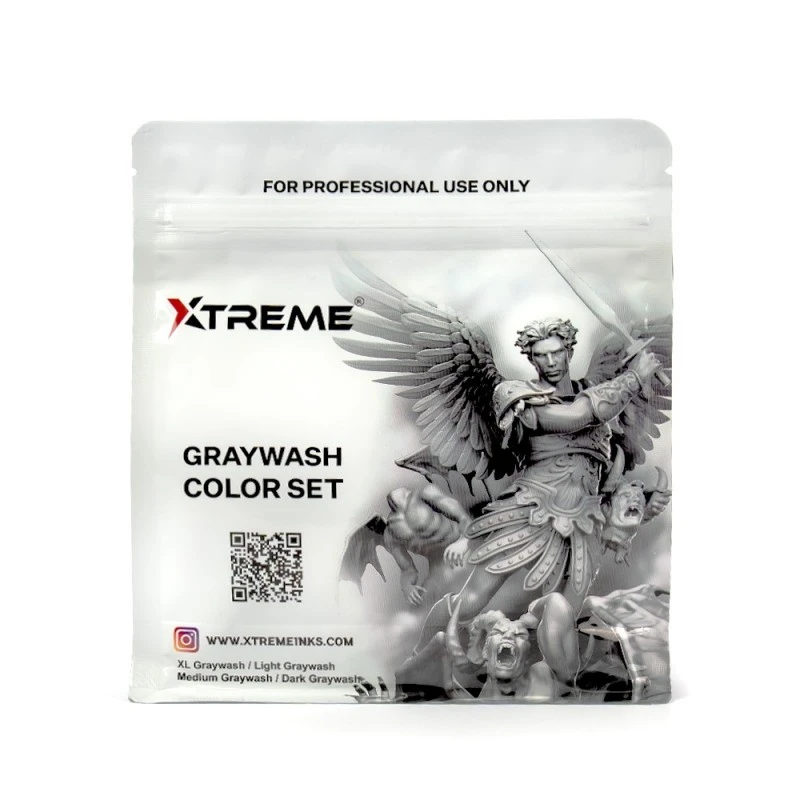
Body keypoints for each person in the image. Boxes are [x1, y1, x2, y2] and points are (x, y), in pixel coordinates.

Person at [409, 318, 663, 684]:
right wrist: (634, 377)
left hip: (584, 522)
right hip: (530, 510)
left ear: (569, 351)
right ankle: (422, 660)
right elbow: (575, 417)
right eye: (541, 355)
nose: (551, 361)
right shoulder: (514, 395)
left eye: (557, 352)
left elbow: (610, 461)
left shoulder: (594, 389)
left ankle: (561, 685)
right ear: (530, 358)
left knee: (562, 617)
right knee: (471, 601)